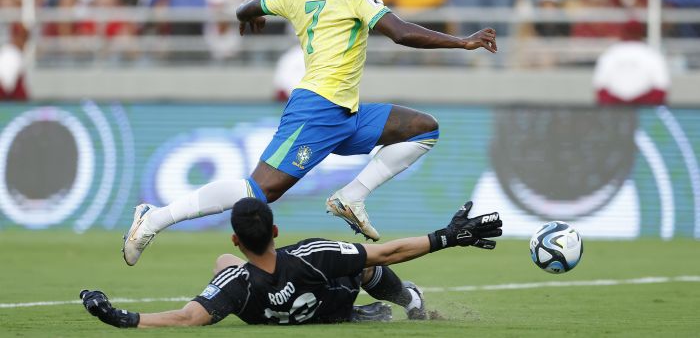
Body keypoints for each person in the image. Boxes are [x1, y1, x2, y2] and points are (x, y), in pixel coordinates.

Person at [122, 0, 497, 266]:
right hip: (318, 109)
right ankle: (155, 217)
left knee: (423, 127)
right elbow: (399, 32)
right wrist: (462, 43)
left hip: (346, 111)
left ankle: (351, 196)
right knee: (259, 192)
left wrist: (248, 16)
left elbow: (247, 5)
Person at [85, 197, 502, 327]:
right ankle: (407, 300)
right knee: (361, 263)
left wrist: (123, 317)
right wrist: (448, 236)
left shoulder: (236, 283)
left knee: (222, 262)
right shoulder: (312, 254)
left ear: (238, 237)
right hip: (330, 301)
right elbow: (387, 251)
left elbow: (186, 318)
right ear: (276, 231)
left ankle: (362, 314)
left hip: (284, 312)